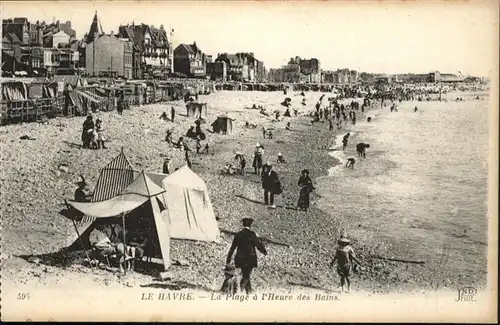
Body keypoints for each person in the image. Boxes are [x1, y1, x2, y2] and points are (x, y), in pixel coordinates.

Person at [226, 218, 267, 294]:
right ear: (250, 225)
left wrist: (228, 259)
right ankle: (240, 291)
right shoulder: (252, 234)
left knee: (246, 274)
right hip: (250, 258)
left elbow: (232, 248)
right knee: (246, 276)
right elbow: (258, 245)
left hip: (240, 258)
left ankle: (249, 292)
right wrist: (264, 251)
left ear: (243, 224)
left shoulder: (238, 235)